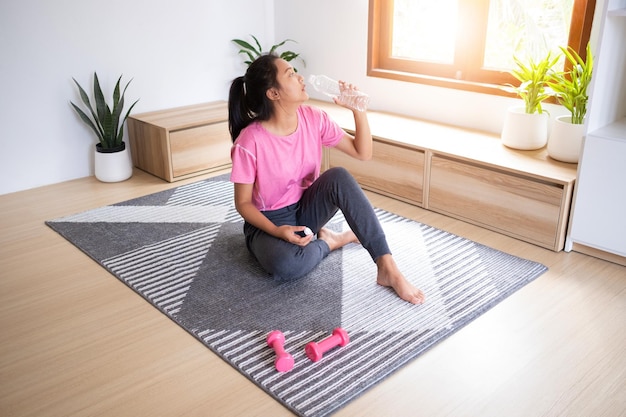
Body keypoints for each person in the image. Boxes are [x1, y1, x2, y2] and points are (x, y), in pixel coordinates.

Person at [228, 53, 425, 305]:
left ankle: (387, 267)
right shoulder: (249, 141)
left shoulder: (314, 118)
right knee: (286, 265)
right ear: (273, 94)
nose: (300, 77)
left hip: (306, 210)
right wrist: (278, 230)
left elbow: (361, 152)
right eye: (290, 74)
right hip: (268, 221)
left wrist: (358, 110)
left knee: (339, 176)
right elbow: (243, 204)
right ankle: (332, 241)